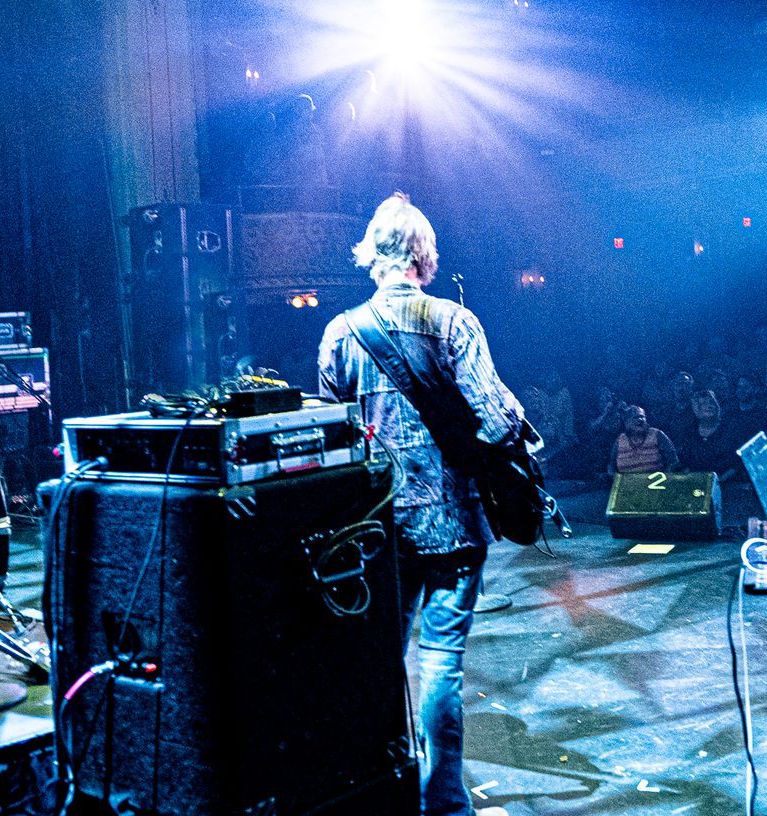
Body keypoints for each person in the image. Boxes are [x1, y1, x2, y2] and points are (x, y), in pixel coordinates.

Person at [317, 192, 521, 816]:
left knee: (377, 664)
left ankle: (376, 795)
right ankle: (446, 806)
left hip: (374, 531)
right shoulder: (455, 323)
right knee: (439, 664)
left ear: (372, 254)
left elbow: (329, 443)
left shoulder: (339, 332)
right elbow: (498, 419)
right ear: (423, 255)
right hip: (452, 523)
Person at [675, 389, 745, 478]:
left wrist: (720, 480)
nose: (709, 406)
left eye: (712, 402)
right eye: (704, 403)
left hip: (726, 483)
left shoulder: (730, 429)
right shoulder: (690, 432)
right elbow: (685, 461)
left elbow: (737, 463)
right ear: (695, 409)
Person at [609, 405, 679, 475]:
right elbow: (611, 466)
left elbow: (673, 461)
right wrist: (614, 477)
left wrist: (664, 476)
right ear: (627, 422)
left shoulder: (657, 435)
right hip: (628, 484)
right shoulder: (620, 440)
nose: (640, 420)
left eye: (642, 417)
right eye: (635, 417)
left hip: (656, 484)